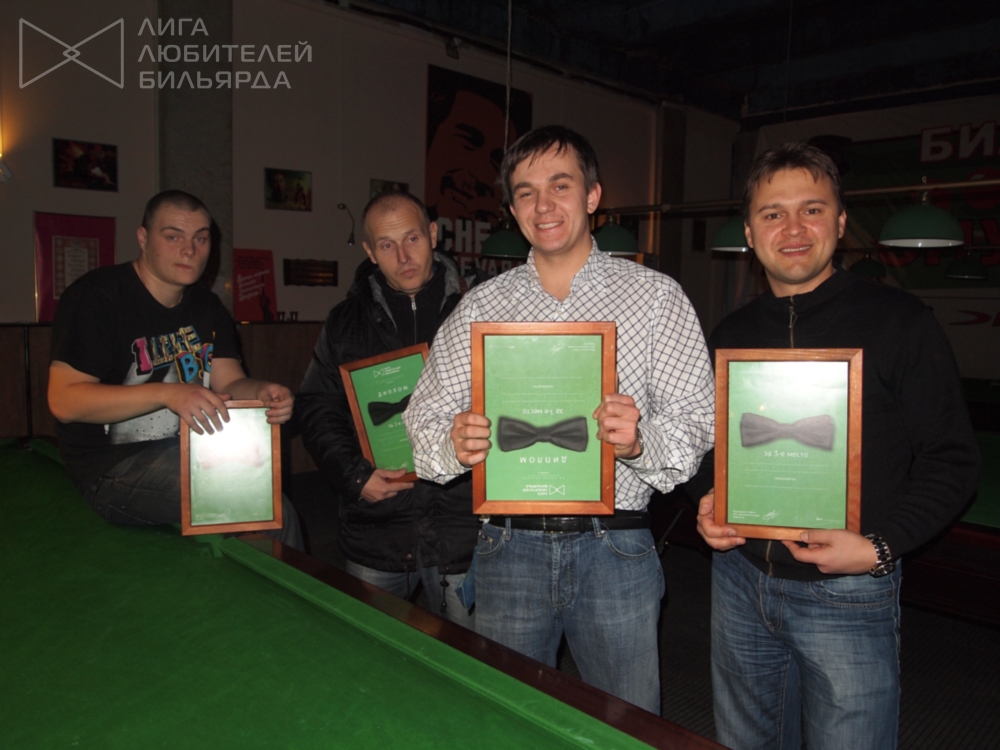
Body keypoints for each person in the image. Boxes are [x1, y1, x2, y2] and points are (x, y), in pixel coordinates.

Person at [403, 125, 716, 713]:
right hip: (507, 547)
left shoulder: (656, 298)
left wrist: (640, 441)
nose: (543, 205)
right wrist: (454, 443)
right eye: (525, 192)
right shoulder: (481, 307)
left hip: (616, 546)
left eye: (560, 185)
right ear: (512, 208)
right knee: (508, 718)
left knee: (626, 724)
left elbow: (698, 422)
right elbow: (421, 426)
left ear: (593, 196)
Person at [694, 143, 980, 749]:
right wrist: (708, 498)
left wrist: (880, 547)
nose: (793, 229)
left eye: (812, 209)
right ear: (749, 232)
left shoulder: (901, 321)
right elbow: (710, 449)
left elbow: (952, 461)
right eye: (773, 214)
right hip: (740, 581)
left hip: (849, 590)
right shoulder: (730, 334)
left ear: (841, 222)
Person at [48, 189, 303, 549]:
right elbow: (64, 401)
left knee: (263, 492)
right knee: (265, 503)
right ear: (143, 238)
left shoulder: (206, 305)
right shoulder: (96, 296)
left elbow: (231, 381)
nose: (189, 250)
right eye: (173, 237)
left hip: (192, 450)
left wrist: (262, 391)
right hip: (109, 468)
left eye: (201, 238)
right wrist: (168, 394)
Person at [297, 191, 478, 627]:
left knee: (471, 655)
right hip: (377, 525)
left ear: (432, 234)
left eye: (412, 238)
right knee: (372, 649)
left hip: (460, 524)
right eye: (386, 245)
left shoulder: (477, 311)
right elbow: (318, 408)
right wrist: (354, 478)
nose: (403, 256)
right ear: (369, 251)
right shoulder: (344, 322)